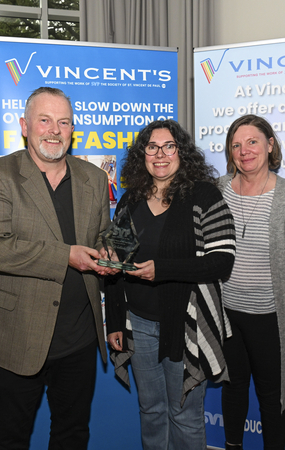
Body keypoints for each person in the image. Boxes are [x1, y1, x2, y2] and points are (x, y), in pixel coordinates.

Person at [0, 87, 114, 450]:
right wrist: (64, 256)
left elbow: (103, 233)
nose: (54, 130)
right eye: (45, 120)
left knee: (72, 435)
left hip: (79, 340)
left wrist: (108, 250)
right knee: (8, 439)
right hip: (17, 339)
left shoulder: (93, 178)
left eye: (63, 122)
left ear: (72, 129)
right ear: (24, 126)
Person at [106, 119, 236, 450]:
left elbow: (222, 261)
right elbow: (116, 265)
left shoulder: (204, 195)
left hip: (187, 325)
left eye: (169, 146)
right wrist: (115, 320)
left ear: (182, 152)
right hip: (139, 324)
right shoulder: (129, 200)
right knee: (150, 410)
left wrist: (161, 270)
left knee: (185, 416)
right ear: (142, 154)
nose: (160, 154)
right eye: (152, 147)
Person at [217, 115, 285, 450]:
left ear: (270, 145)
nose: (245, 151)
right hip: (226, 315)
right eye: (236, 145)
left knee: (273, 398)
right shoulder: (217, 191)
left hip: (272, 320)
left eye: (253, 142)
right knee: (233, 386)